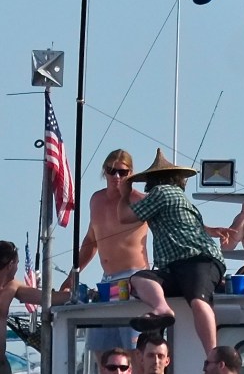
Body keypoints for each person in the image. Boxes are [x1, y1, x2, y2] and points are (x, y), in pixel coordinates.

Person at [117, 149, 231, 356]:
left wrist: (124, 196)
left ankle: (212, 355)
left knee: (198, 299)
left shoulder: (161, 192)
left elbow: (124, 218)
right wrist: (211, 230)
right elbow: (186, 224)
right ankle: (162, 308)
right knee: (141, 278)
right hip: (177, 265)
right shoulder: (180, 198)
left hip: (197, 260)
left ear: (153, 180)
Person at [60, 150, 149, 364]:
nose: (116, 176)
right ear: (104, 171)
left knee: (133, 352)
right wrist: (72, 276)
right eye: (111, 170)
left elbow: (171, 222)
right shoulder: (96, 200)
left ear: (131, 173)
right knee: (101, 353)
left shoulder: (141, 201)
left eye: (122, 171)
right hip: (107, 282)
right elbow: (91, 241)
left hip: (133, 280)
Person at [0, 240, 69, 374]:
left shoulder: (13, 287)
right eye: (17, 263)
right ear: (10, 265)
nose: (17, 268)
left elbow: (44, 297)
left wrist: (75, 295)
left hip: (0, 365)